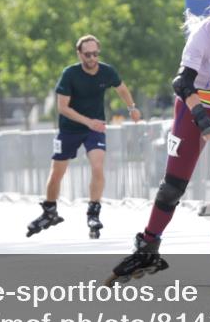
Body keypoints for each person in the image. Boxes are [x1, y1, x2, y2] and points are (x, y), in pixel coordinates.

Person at [108, 0, 210, 286]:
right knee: (173, 187)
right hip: (193, 111)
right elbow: (181, 83)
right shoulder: (203, 35)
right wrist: (203, 120)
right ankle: (148, 248)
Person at [26, 34, 143, 239]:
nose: (92, 58)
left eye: (95, 54)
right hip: (70, 129)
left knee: (97, 166)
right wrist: (88, 121)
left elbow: (122, 88)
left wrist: (132, 107)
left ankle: (93, 213)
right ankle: (50, 211)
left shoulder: (106, 71)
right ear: (79, 54)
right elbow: (63, 108)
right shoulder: (70, 74)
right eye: (87, 54)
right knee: (56, 173)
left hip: (94, 128)